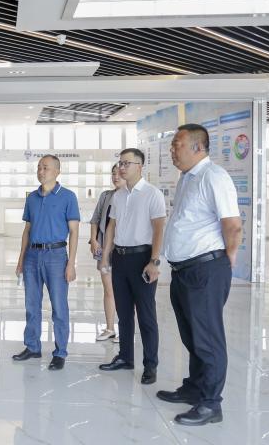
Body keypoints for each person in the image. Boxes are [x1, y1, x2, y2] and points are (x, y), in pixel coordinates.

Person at [157, 124, 241, 426]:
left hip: (205, 269)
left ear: (197, 147)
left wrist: (226, 260)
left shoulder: (213, 176)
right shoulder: (187, 178)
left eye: (177, 144)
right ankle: (194, 388)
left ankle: (210, 404)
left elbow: (232, 225)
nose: (172, 150)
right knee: (191, 335)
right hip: (184, 271)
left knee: (208, 339)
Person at [99, 148, 166, 385]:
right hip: (120, 258)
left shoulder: (152, 194)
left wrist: (154, 261)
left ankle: (150, 365)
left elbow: (159, 228)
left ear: (140, 166)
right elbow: (111, 227)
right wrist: (106, 256)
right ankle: (125, 357)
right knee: (124, 313)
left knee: (146, 315)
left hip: (142, 258)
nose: (121, 167)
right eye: (120, 163)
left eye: (126, 163)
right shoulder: (118, 196)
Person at [12, 155, 80, 371]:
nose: (41, 171)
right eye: (39, 167)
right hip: (32, 256)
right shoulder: (31, 198)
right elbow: (27, 230)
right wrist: (21, 259)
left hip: (56, 256)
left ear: (57, 171)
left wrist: (71, 264)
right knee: (31, 305)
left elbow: (74, 231)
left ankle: (60, 352)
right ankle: (32, 346)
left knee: (59, 307)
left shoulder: (68, 197)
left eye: (46, 168)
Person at [88, 164, 126, 343]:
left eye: (119, 174)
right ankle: (110, 328)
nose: (116, 177)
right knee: (109, 290)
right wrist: (94, 240)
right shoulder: (106, 196)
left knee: (125, 292)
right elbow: (95, 220)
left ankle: (125, 330)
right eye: (113, 173)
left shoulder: (132, 196)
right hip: (104, 249)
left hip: (125, 249)